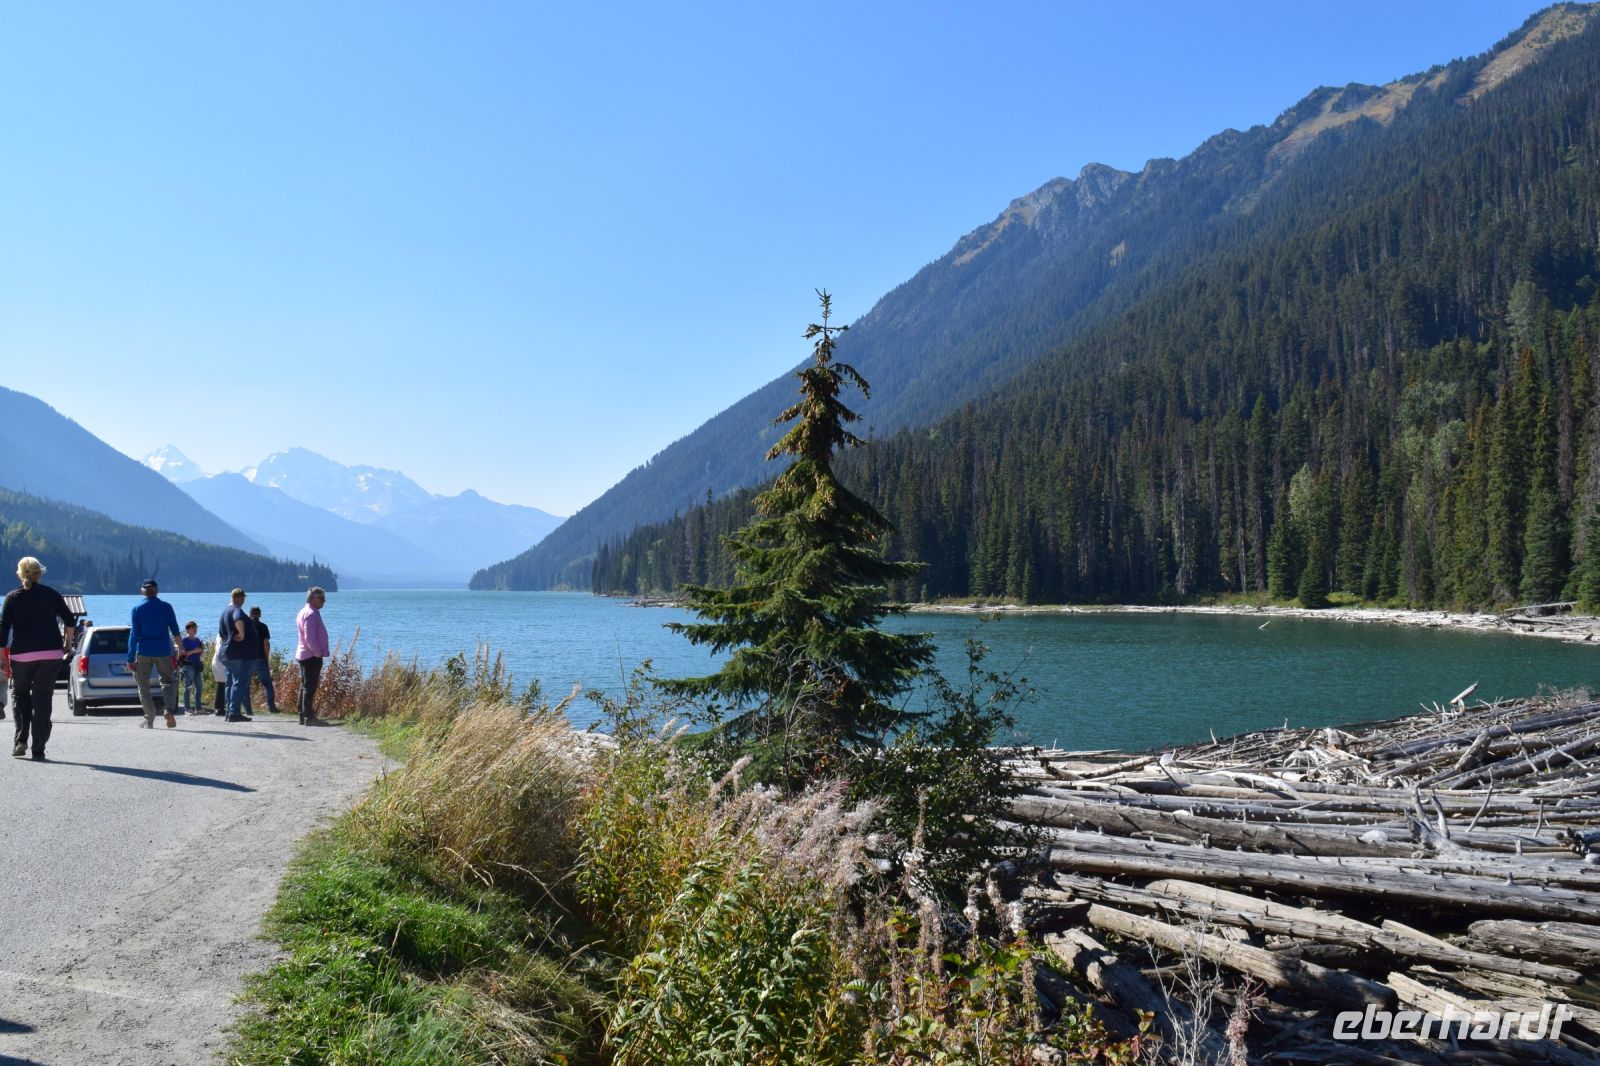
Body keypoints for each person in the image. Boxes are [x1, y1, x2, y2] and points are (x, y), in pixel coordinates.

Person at [0, 557, 76, 761]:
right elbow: (70, 620)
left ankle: (21, 739)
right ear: (39, 573)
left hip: (21, 655)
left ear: (19, 574)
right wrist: (68, 643)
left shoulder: (12, 597)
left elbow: (3, 629)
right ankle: (39, 747)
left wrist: (1, 657)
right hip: (51, 654)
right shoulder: (51, 594)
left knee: (20, 695)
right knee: (42, 700)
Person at [129, 579, 181, 729]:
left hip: (144, 651)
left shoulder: (137, 609)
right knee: (168, 680)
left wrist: (130, 657)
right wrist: (181, 648)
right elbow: (175, 630)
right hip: (163, 650)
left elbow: (134, 635)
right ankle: (168, 709)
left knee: (143, 685)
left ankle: (149, 718)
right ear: (157, 591)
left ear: (143, 591)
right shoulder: (166, 607)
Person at [218, 588, 256, 723]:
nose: (244, 600)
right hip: (236, 653)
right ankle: (234, 712)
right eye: (243, 598)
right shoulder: (236, 609)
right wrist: (242, 633)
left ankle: (229, 710)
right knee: (239, 681)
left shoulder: (224, 612)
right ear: (239, 598)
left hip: (226, 652)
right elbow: (238, 619)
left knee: (230, 682)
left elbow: (222, 633)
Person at [294, 586, 329, 726]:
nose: (324, 601)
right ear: (313, 599)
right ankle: (309, 717)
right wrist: (317, 653)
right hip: (310, 656)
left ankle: (303, 715)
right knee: (310, 687)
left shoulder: (304, 611)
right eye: (321, 598)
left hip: (304, 654)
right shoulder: (311, 614)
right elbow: (310, 638)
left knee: (305, 686)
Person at [247, 606, 280, 713]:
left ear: (250, 614)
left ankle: (248, 709)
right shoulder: (263, 626)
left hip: (248, 659)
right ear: (260, 615)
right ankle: (271, 707)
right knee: (267, 684)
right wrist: (266, 657)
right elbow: (266, 643)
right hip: (261, 658)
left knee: (246, 684)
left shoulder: (246, 626)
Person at [179, 621, 205, 713]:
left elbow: (199, 653)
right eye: (193, 628)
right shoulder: (184, 641)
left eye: (196, 627)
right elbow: (183, 654)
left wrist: (201, 650)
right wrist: (194, 651)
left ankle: (198, 708)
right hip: (188, 665)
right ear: (188, 630)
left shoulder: (197, 640)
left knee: (199, 687)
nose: (195, 629)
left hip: (197, 664)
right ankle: (187, 709)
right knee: (188, 687)